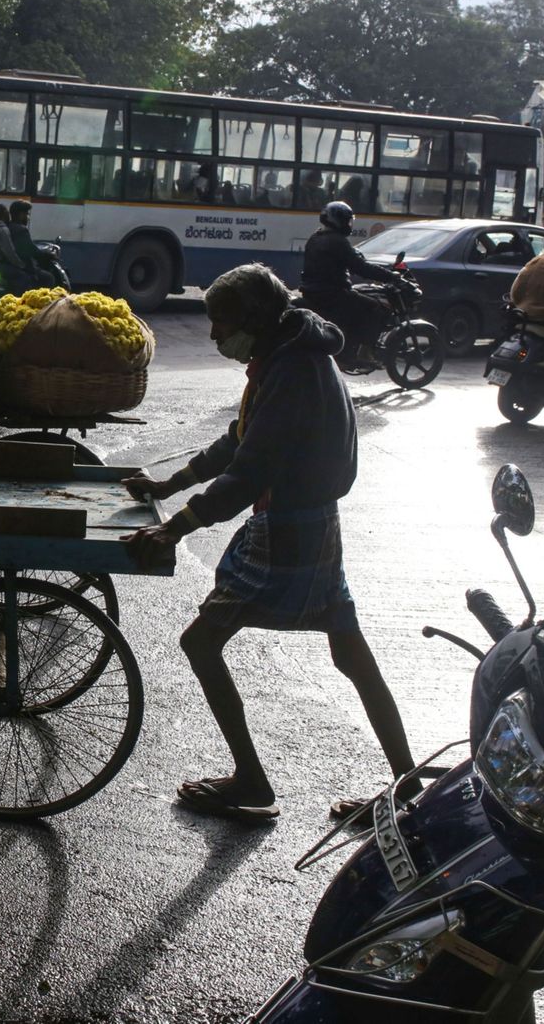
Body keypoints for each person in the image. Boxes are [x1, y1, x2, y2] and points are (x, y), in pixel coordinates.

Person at [122, 263, 416, 824]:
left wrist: (174, 525)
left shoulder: (294, 369)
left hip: (290, 528)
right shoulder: (290, 354)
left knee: (201, 643)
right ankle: (408, 784)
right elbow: (240, 441)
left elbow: (249, 471)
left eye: (220, 323)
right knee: (349, 651)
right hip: (315, 523)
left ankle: (252, 781)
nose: (213, 336)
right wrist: (171, 483)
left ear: (255, 317)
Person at [300, 200, 405, 365]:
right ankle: (364, 352)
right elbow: (361, 268)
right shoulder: (338, 241)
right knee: (377, 308)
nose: (350, 224)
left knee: (358, 299)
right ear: (339, 221)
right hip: (333, 294)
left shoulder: (315, 237)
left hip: (312, 291)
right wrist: (390, 276)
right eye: (348, 220)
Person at [8, 201, 52, 287]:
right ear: (21, 214)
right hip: (21, 266)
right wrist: (47, 255)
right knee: (48, 278)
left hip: (11, 264)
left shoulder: (9, 226)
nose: (28, 218)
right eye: (27, 214)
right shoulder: (21, 230)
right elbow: (30, 250)